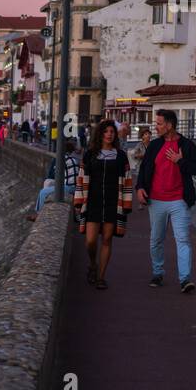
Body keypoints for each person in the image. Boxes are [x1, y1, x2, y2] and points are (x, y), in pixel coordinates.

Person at [135, 108, 196, 293]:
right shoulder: (154, 145)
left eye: (158, 124)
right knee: (156, 239)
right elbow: (144, 169)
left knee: (183, 240)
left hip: (179, 201)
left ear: (169, 125)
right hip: (156, 200)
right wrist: (140, 188)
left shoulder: (187, 146)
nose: (155, 127)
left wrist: (179, 161)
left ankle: (185, 280)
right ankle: (157, 273)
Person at [74, 120, 131, 290]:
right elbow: (81, 177)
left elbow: (127, 180)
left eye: (112, 132)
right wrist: (78, 199)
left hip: (113, 203)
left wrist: (127, 203)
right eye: (106, 131)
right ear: (100, 134)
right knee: (90, 241)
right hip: (93, 201)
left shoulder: (120, 156)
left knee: (107, 239)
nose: (109, 134)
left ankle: (100, 276)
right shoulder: (90, 154)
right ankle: (92, 263)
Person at [29, 140, 80, 221]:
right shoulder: (74, 159)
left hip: (69, 187)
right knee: (48, 183)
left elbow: (56, 174)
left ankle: (38, 214)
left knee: (43, 192)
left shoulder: (63, 159)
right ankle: (40, 212)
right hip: (74, 186)